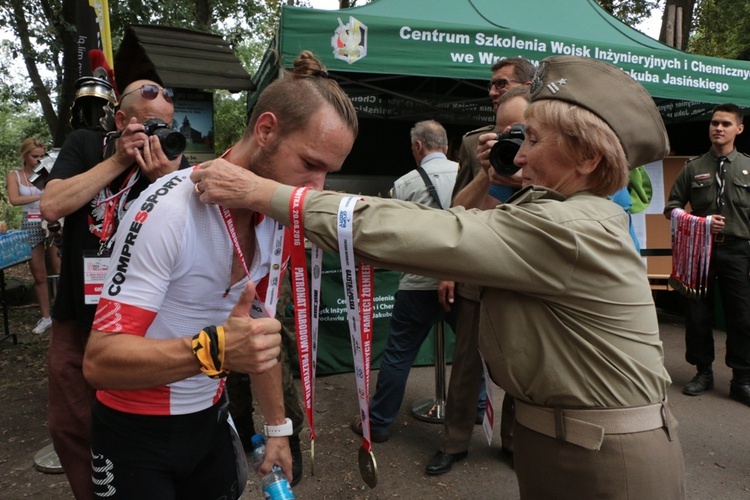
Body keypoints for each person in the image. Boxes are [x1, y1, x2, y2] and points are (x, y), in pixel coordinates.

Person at [192, 55, 685, 499]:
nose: (521, 155)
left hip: (604, 458)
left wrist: (265, 194)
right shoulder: (555, 209)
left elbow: (432, 232)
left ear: (588, 158)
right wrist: (490, 179)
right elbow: (461, 216)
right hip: (562, 439)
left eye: (532, 139)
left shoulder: (572, 227)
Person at [81, 50, 358, 498]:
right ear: (266, 130)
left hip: (209, 422)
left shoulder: (276, 217)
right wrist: (214, 350)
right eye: (310, 164)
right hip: (135, 432)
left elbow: (259, 334)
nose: (316, 188)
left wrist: (277, 429)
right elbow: (100, 362)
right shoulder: (171, 206)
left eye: (329, 172)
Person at [40, 77, 189, 499]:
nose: (157, 136)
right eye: (147, 126)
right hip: (78, 314)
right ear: (121, 120)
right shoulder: (87, 144)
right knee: (70, 422)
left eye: (165, 126)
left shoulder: (173, 158)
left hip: (140, 321)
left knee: (134, 424)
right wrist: (119, 160)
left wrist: (166, 180)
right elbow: (52, 204)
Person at [428, 82, 534, 475]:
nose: (512, 140)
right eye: (504, 130)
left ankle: (512, 441)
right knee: (466, 365)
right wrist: (489, 173)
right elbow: (457, 209)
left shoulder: (552, 149)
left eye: (520, 130)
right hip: (477, 272)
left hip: (522, 272)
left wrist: (527, 174)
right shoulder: (477, 146)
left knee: (521, 365)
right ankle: (454, 442)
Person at [349, 120, 458, 442]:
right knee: (470, 354)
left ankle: (379, 423)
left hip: (416, 285)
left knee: (398, 356)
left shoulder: (404, 184)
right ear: (447, 147)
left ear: (418, 147)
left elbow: (395, 236)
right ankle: (477, 410)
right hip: (462, 283)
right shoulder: (469, 175)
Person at [664, 103, 750, 406]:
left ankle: (742, 378)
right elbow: (671, 208)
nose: (718, 128)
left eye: (726, 124)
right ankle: (702, 372)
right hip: (700, 251)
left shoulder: (748, 167)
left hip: (740, 251)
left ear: (739, 129)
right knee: (697, 314)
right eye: (715, 123)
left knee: (741, 316)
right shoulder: (693, 168)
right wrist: (700, 222)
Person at [6, 138, 60, 334]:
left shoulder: (49, 172)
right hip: (30, 222)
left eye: (41, 156)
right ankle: (46, 317)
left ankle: (62, 313)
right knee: (39, 274)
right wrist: (40, 196)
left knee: (59, 268)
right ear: (25, 155)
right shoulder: (15, 176)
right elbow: (14, 199)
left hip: (52, 220)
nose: (38, 160)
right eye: (34, 156)